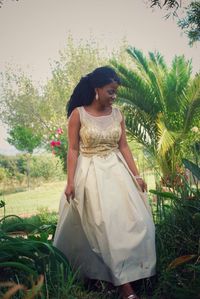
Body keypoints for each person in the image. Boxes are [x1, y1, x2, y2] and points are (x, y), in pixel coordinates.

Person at [53, 66, 156, 299]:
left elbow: (124, 146)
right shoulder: (78, 114)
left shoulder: (117, 114)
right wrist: (70, 183)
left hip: (118, 173)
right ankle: (124, 287)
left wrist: (137, 175)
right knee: (104, 227)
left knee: (137, 223)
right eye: (110, 91)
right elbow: (72, 150)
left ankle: (137, 273)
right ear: (96, 89)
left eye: (115, 92)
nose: (114, 96)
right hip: (90, 174)